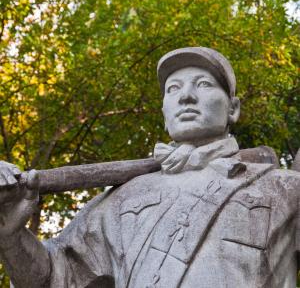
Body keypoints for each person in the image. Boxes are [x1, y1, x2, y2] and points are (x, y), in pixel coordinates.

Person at [0, 47, 299, 288]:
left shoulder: (282, 188)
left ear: (232, 109)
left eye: (204, 84)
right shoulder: (122, 198)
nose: (186, 96)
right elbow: (53, 277)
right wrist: (11, 235)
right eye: (173, 88)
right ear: (164, 112)